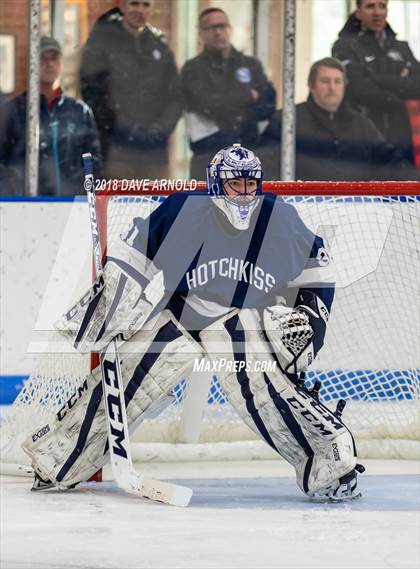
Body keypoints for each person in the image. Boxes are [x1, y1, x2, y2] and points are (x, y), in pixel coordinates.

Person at [23, 143, 364, 501]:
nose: (246, 193)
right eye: (236, 184)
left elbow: (318, 266)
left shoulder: (278, 216)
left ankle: (331, 467)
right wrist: (114, 298)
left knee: (262, 385)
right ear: (216, 185)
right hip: (183, 314)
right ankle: (57, 460)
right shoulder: (184, 208)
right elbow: (134, 248)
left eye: (251, 184)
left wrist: (312, 317)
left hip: (248, 319)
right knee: (132, 377)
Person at [259, 57, 416, 181]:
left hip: (357, 212)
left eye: (337, 81)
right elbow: (265, 164)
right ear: (311, 85)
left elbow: (389, 161)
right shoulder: (287, 121)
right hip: (301, 209)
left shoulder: (361, 124)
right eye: (325, 81)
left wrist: (415, 183)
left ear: (344, 86)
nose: (332, 88)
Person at [80, 0, 182, 180]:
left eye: (145, 4)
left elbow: (176, 97)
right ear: (123, 6)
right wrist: (122, 127)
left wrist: (159, 130)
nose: (139, 10)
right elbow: (92, 92)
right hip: (117, 150)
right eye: (134, 4)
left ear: (153, 8)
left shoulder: (161, 48)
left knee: (156, 206)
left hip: (154, 153)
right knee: (119, 205)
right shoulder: (103, 43)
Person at [181, 8, 276, 179]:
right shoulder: (193, 69)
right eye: (211, 28)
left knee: (247, 204)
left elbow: (268, 105)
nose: (218, 32)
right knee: (204, 205)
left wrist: (228, 101)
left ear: (230, 29)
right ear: (201, 33)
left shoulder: (250, 64)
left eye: (222, 26)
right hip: (209, 156)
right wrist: (247, 96)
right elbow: (207, 105)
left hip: (247, 154)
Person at [0, 37, 101, 196]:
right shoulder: (13, 110)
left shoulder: (79, 111)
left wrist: (85, 196)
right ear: (31, 63)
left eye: (54, 58)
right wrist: (13, 194)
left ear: (61, 63)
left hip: (70, 205)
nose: (49, 64)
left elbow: (93, 163)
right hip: (24, 206)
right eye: (42, 58)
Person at [332, 0, 420, 168]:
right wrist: (400, 87)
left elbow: (418, 86)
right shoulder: (344, 47)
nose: (377, 12)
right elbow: (357, 88)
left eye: (382, 5)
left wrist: (378, 78)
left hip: (400, 138)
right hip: (361, 137)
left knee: (401, 191)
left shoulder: (401, 48)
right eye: (370, 6)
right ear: (358, 12)